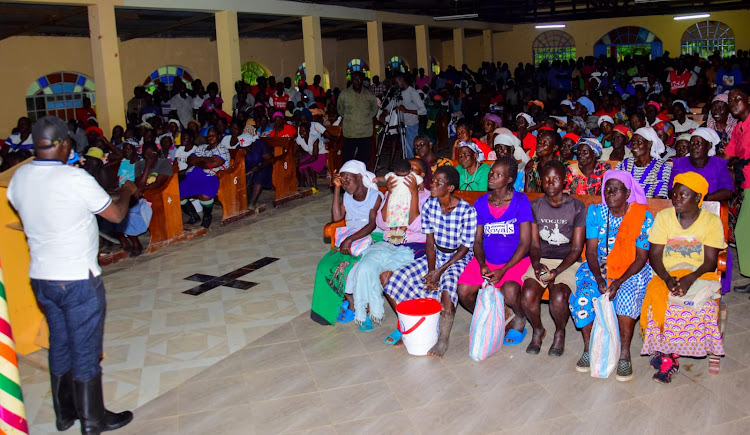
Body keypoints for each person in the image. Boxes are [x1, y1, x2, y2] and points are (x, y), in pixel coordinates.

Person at [6, 116, 134, 433]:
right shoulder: (74, 180)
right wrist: (129, 191)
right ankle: (93, 423)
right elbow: (115, 214)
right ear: (64, 144)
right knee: (85, 350)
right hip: (77, 278)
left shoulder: (20, 178)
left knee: (60, 345)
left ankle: (65, 415)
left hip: (41, 278)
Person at [382, 165, 477, 357]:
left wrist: (439, 272)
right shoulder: (430, 205)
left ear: (450, 188)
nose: (432, 185)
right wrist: (432, 270)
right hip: (436, 255)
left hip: (458, 258)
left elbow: (465, 248)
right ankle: (410, 325)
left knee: (449, 289)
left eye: (438, 183)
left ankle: (442, 338)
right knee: (394, 279)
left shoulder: (467, 211)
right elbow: (430, 241)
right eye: (432, 181)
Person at [641, 172, 726, 383]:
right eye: (674, 194)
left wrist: (689, 279)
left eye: (683, 195)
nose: (676, 199)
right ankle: (668, 356)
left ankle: (672, 352)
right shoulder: (664, 217)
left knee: (700, 307)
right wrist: (668, 279)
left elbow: (709, 261)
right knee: (659, 303)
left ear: (698, 198)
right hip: (666, 272)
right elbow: (655, 255)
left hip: (700, 273)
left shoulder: (711, 222)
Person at [569, 170, 654, 381]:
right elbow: (590, 251)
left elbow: (641, 258)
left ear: (627, 193)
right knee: (583, 298)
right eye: (607, 188)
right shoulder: (596, 213)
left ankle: (624, 354)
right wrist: (599, 278)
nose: (610, 193)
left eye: (617, 189)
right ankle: (589, 348)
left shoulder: (641, 216)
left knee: (625, 298)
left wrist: (618, 281)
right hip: (598, 267)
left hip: (631, 270)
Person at [521, 160, 586, 356]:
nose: (550, 183)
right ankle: (538, 329)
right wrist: (537, 264)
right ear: (540, 182)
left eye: (555, 178)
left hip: (568, 262)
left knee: (558, 297)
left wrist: (556, 272)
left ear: (564, 181)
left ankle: (560, 332)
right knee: (528, 294)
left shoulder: (576, 207)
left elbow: (576, 248)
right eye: (546, 179)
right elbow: (533, 244)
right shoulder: (535, 206)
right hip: (542, 259)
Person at [311, 160, 383, 325]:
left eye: (348, 180)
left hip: (371, 237)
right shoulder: (347, 197)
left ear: (359, 177)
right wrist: (336, 189)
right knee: (325, 266)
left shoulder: (375, 196)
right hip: (350, 237)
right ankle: (326, 310)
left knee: (349, 271)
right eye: (342, 182)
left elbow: (372, 224)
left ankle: (354, 304)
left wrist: (350, 240)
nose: (345, 184)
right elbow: (337, 218)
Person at [178, 127, 230, 228]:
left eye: (213, 135)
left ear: (218, 136)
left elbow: (209, 166)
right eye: (209, 136)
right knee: (178, 193)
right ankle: (193, 215)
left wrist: (197, 161)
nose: (210, 137)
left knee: (204, 195)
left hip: (212, 177)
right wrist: (203, 159)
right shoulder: (202, 147)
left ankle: (207, 216)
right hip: (194, 176)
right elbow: (189, 160)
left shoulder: (222, 149)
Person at [725, 87, 750, 291]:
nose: (733, 103)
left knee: (742, 229)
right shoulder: (738, 127)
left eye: (737, 98)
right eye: (730, 100)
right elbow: (727, 156)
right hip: (746, 183)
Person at [668, 128, 733, 202]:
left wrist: (702, 199)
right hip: (683, 205)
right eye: (692, 144)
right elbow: (670, 190)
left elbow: (727, 191)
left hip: (711, 206)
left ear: (709, 145)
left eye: (698, 143)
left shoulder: (718, 164)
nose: (694, 146)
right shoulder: (679, 163)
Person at [616, 127, 672, 198]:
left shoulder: (662, 167)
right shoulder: (624, 164)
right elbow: (618, 191)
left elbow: (658, 199)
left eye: (639, 142)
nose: (634, 146)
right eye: (633, 142)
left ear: (649, 144)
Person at [337, 71, 378, 164]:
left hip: (365, 132)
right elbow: (340, 110)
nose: (358, 81)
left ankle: (362, 176)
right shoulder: (344, 95)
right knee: (348, 159)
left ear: (362, 80)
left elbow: (374, 110)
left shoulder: (369, 95)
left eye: (359, 79)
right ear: (352, 80)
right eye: (355, 79)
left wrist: (364, 118)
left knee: (364, 159)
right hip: (350, 132)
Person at [392, 73, 427, 159]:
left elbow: (423, 111)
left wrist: (406, 110)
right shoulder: (399, 93)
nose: (395, 85)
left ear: (402, 80)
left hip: (411, 125)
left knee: (412, 149)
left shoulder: (412, 92)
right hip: (402, 124)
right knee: (405, 150)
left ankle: (414, 166)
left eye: (396, 82)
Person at [706, 91, 736, 156]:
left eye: (721, 108)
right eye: (714, 108)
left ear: (728, 110)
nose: (717, 111)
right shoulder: (706, 129)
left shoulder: (736, 128)